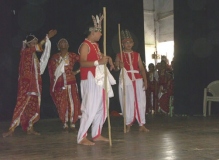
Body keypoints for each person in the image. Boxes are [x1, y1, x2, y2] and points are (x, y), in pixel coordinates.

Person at [2, 30, 57, 137]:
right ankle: (11, 129)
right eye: (33, 42)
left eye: (35, 42)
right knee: (21, 104)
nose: (34, 44)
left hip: (35, 84)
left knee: (33, 105)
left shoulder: (34, 56)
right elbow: (36, 48)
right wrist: (46, 38)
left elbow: (39, 68)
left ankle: (30, 127)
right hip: (26, 85)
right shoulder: (25, 52)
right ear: (27, 44)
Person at [77, 14, 116, 145]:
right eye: (99, 32)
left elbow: (99, 57)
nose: (100, 34)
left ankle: (96, 134)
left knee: (102, 107)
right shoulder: (85, 45)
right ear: (92, 32)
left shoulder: (95, 45)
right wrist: (98, 62)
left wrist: (108, 59)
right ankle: (81, 137)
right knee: (90, 108)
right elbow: (82, 63)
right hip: (90, 79)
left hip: (99, 79)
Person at [115, 29, 149, 132]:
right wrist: (119, 65)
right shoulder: (119, 55)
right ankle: (128, 123)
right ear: (122, 44)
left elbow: (142, 69)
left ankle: (141, 124)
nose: (128, 44)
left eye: (130, 42)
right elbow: (116, 68)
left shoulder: (137, 55)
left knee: (140, 101)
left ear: (133, 43)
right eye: (126, 42)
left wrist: (145, 81)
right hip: (126, 80)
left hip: (137, 80)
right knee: (127, 101)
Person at [48, 38, 81, 132]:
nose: (63, 43)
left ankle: (73, 123)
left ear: (68, 45)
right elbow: (52, 70)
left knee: (73, 102)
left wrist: (77, 71)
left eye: (65, 42)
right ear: (58, 46)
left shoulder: (72, 55)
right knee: (63, 103)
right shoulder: (55, 57)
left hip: (71, 81)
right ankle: (65, 123)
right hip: (60, 83)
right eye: (61, 42)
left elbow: (83, 61)